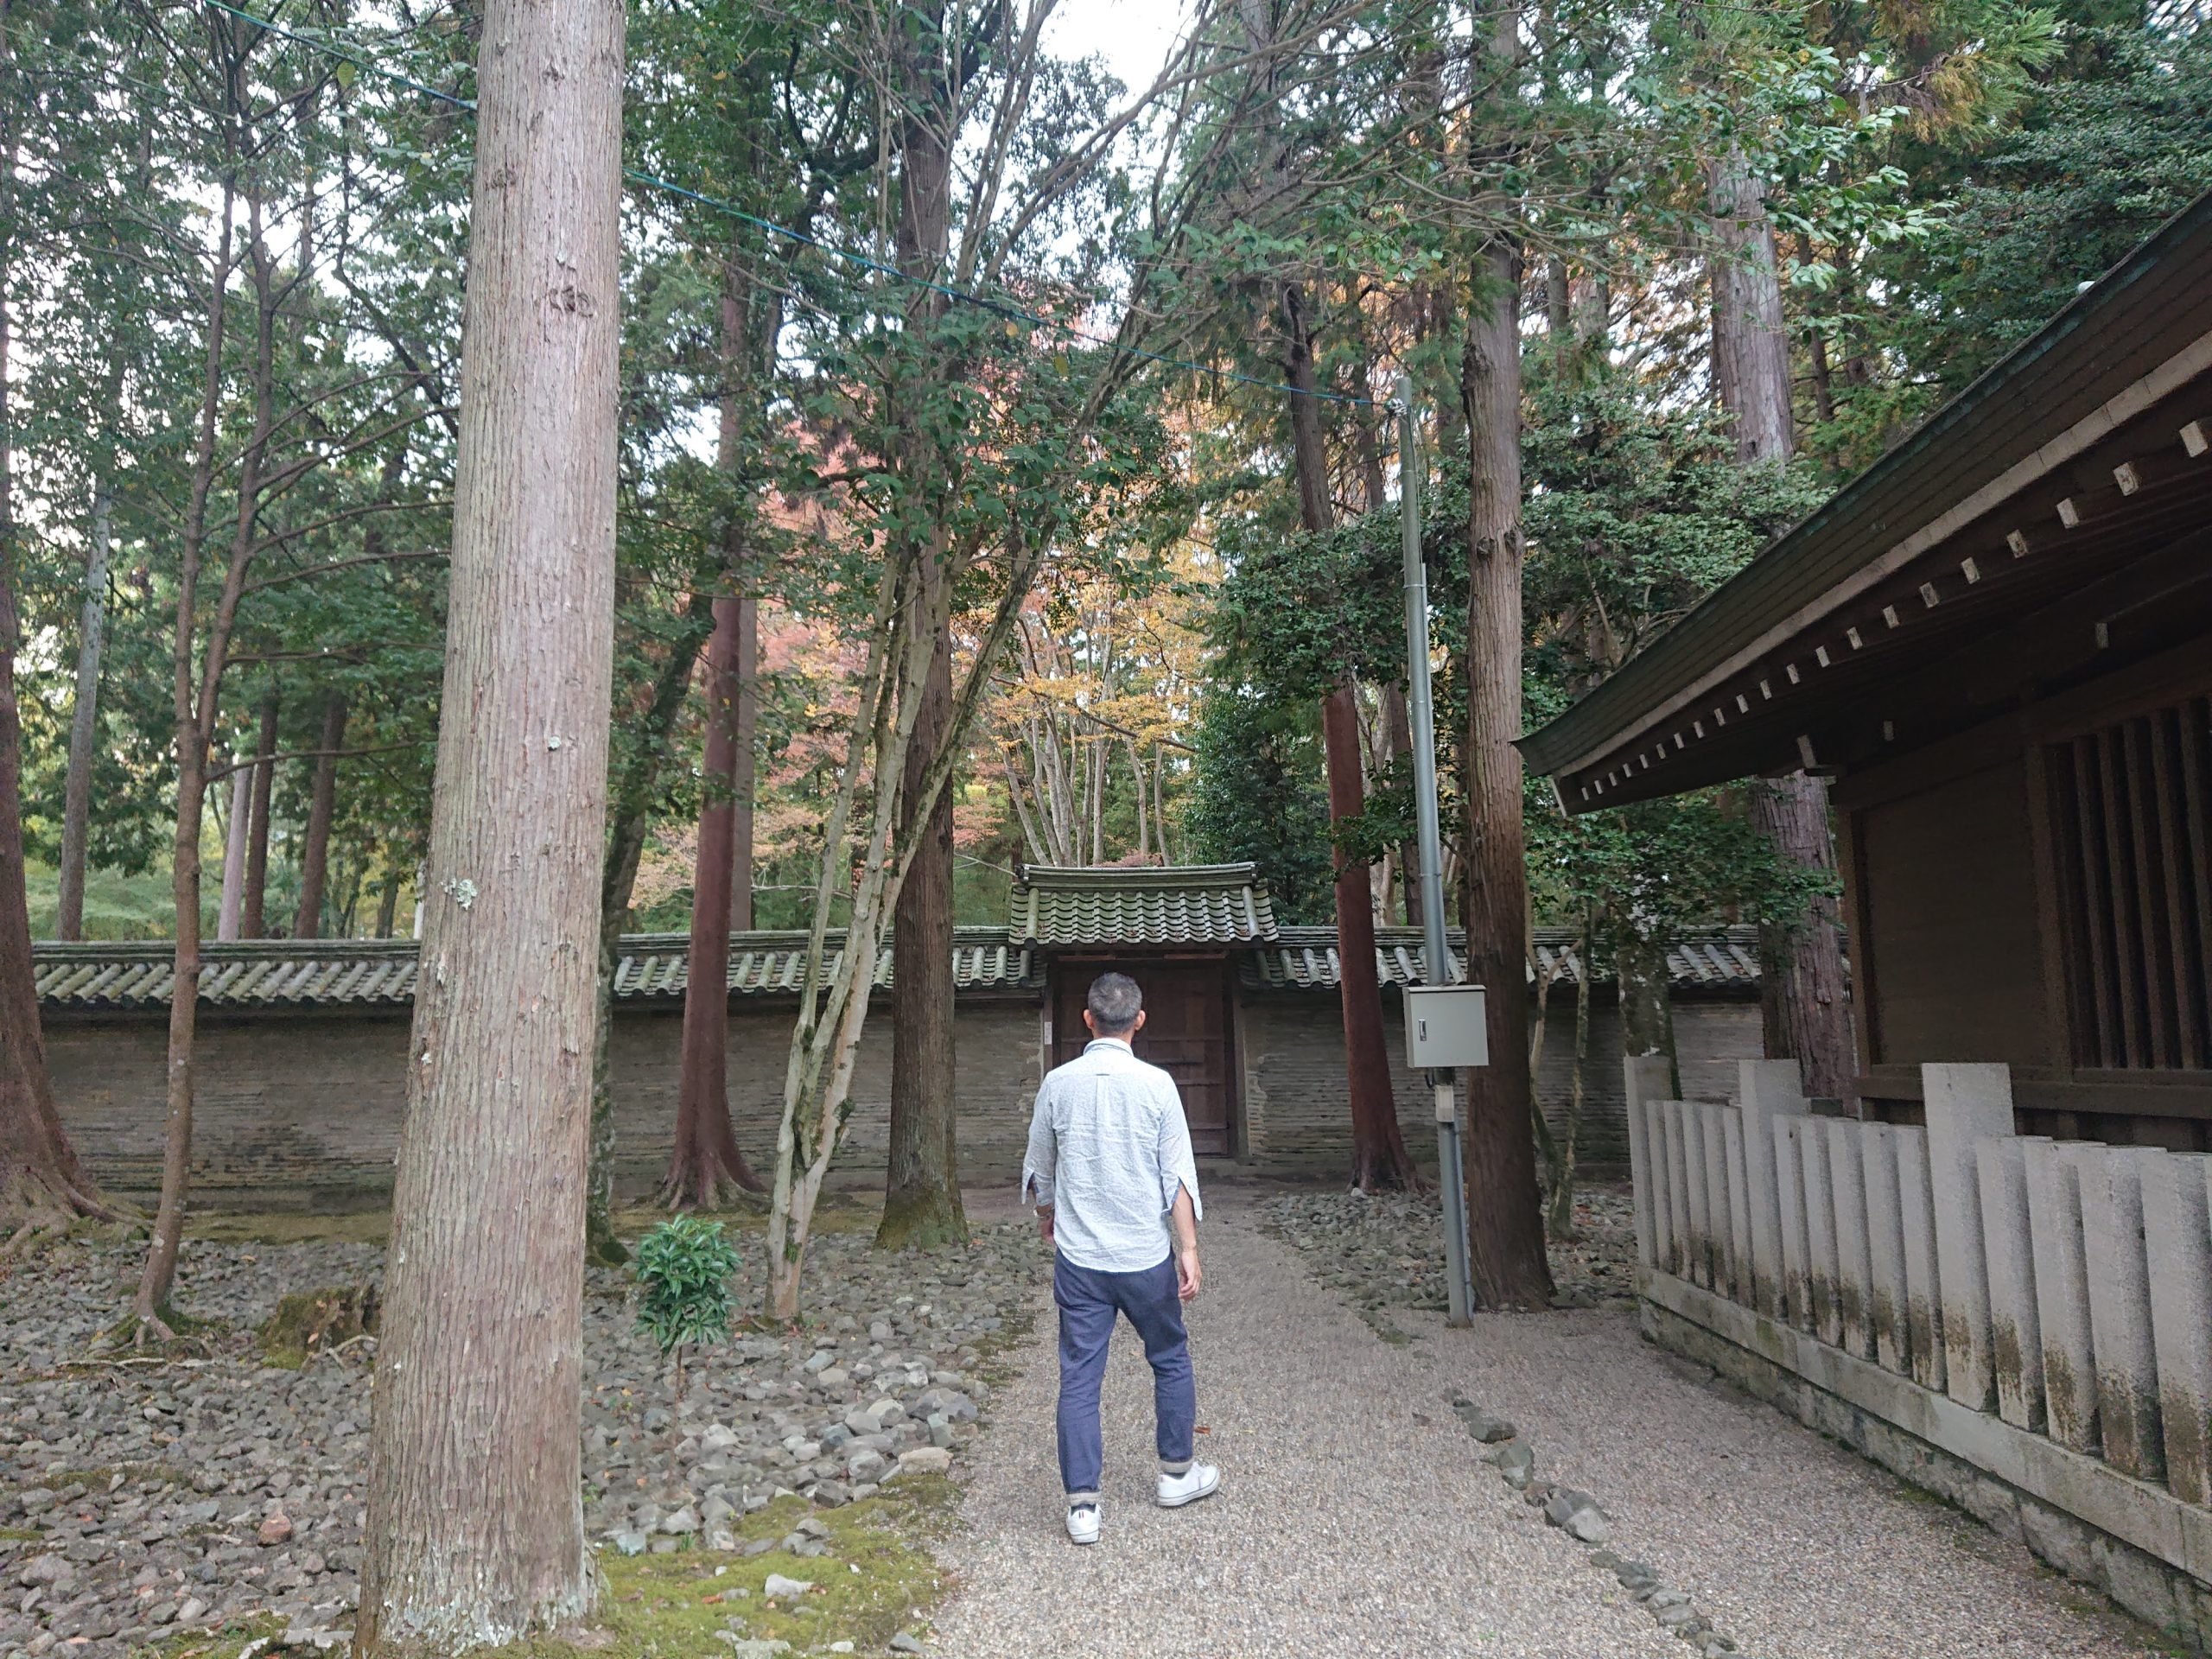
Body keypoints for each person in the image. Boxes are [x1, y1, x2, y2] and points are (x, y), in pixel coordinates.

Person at [1020, 970, 1219, 1545]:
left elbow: (1042, 1166)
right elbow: (1176, 1176)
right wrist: (1189, 1249)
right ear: (1139, 1020)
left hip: (1080, 1259)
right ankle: (1176, 1473)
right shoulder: (1159, 1087)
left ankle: (1084, 1507)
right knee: (1170, 1358)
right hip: (1143, 1255)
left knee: (1080, 1375)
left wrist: (1047, 1217)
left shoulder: (1058, 1084)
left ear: (1087, 1020)